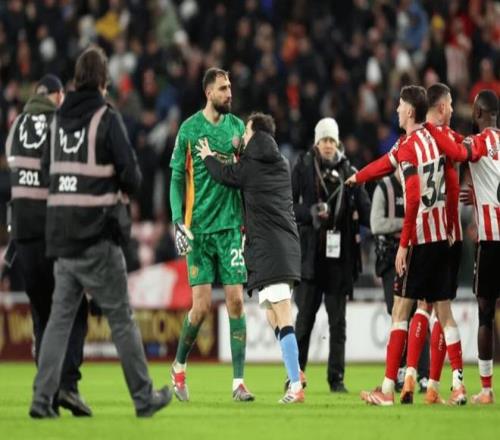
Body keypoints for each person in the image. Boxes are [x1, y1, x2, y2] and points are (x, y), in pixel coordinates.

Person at [29, 47, 172, 418]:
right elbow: (132, 176)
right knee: (121, 319)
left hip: (62, 239)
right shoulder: (106, 118)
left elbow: (45, 171)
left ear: (77, 80)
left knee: (58, 321)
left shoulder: (57, 122)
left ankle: (41, 400)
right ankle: (144, 398)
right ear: (104, 82)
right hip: (97, 237)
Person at [347, 85, 466, 406]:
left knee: (401, 309)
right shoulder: (437, 138)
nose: (397, 110)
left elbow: (412, 197)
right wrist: (359, 177)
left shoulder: (408, 146)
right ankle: (456, 385)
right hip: (443, 238)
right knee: (442, 311)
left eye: (400, 106)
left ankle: (387, 390)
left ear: (410, 111)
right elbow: (385, 165)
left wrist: (404, 244)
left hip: (421, 240)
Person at [196, 112, 304, 403]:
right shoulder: (281, 162)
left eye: (246, 132)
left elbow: (225, 175)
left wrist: (207, 156)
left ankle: (296, 384)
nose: (242, 136)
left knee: (282, 314)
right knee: (272, 315)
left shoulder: (251, 167)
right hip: (279, 249)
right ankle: (294, 369)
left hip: (273, 251)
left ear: (255, 134)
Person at [5, 74, 90, 416]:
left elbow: (14, 180)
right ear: (57, 96)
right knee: (74, 309)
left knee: (42, 314)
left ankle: (46, 393)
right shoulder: (60, 124)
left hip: (23, 234)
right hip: (54, 234)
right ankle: (67, 385)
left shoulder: (15, 127)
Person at [169, 68, 253, 402]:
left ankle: (238, 383)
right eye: (223, 88)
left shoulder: (237, 129)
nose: (229, 93)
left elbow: (248, 174)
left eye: (230, 87)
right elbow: (177, 177)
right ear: (208, 93)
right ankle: (178, 367)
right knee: (201, 307)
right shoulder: (189, 129)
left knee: (236, 301)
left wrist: (249, 221)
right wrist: (178, 221)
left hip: (231, 228)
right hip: (199, 231)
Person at [425, 89, 500, 405]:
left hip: (492, 242)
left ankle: (486, 390)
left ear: (479, 114)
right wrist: (481, 194)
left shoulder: (480, 141)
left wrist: (431, 130)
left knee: (485, 313)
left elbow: (458, 151)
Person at [292, 117, 371, 393]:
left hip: (340, 260)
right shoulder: (303, 166)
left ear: (337, 143)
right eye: (324, 140)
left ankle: (336, 379)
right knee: (304, 321)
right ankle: (295, 375)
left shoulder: (350, 171)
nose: (328, 145)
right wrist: (310, 213)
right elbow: (288, 207)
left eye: (332, 140)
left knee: (338, 324)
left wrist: (380, 220)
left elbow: (367, 211)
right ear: (317, 142)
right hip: (310, 257)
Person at [370, 170, 430, 393]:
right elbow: (376, 224)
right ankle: (405, 369)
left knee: (418, 314)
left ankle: (422, 374)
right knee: (399, 313)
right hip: (391, 259)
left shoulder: (420, 184)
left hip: (417, 257)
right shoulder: (384, 187)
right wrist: (406, 223)